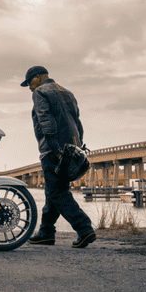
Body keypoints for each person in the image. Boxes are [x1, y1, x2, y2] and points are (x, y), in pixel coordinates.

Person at [20, 66, 96, 249]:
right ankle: (46, 233)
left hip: (53, 150)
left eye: (30, 82)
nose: (30, 87)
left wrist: (54, 147)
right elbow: (78, 122)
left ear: (37, 78)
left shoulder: (40, 92)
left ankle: (84, 228)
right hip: (71, 147)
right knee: (53, 191)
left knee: (57, 192)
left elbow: (45, 119)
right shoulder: (68, 92)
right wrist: (78, 145)